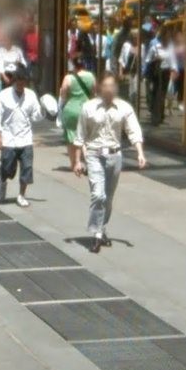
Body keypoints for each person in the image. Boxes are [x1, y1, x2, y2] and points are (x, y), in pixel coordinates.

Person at [70, 74, 146, 253]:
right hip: (94, 155)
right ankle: (96, 234)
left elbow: (133, 130)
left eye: (113, 86)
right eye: (106, 86)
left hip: (115, 156)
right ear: (99, 88)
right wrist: (77, 161)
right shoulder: (88, 108)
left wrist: (140, 153)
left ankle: (101, 228)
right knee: (98, 195)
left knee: (108, 198)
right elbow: (79, 136)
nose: (110, 89)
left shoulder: (124, 108)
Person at [0, 66, 44, 207]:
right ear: (14, 81)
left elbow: (36, 116)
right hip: (9, 138)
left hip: (25, 138)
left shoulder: (31, 95)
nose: (21, 85)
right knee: (7, 168)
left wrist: (44, 110)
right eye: (18, 82)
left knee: (27, 168)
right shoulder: (4, 95)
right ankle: (3, 181)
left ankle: (21, 195)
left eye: (23, 82)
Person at [58, 57, 96, 147]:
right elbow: (94, 93)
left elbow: (63, 95)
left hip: (71, 110)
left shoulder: (68, 78)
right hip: (86, 109)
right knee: (85, 135)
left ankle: (76, 158)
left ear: (73, 65)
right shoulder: (91, 76)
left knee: (72, 136)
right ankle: (86, 154)